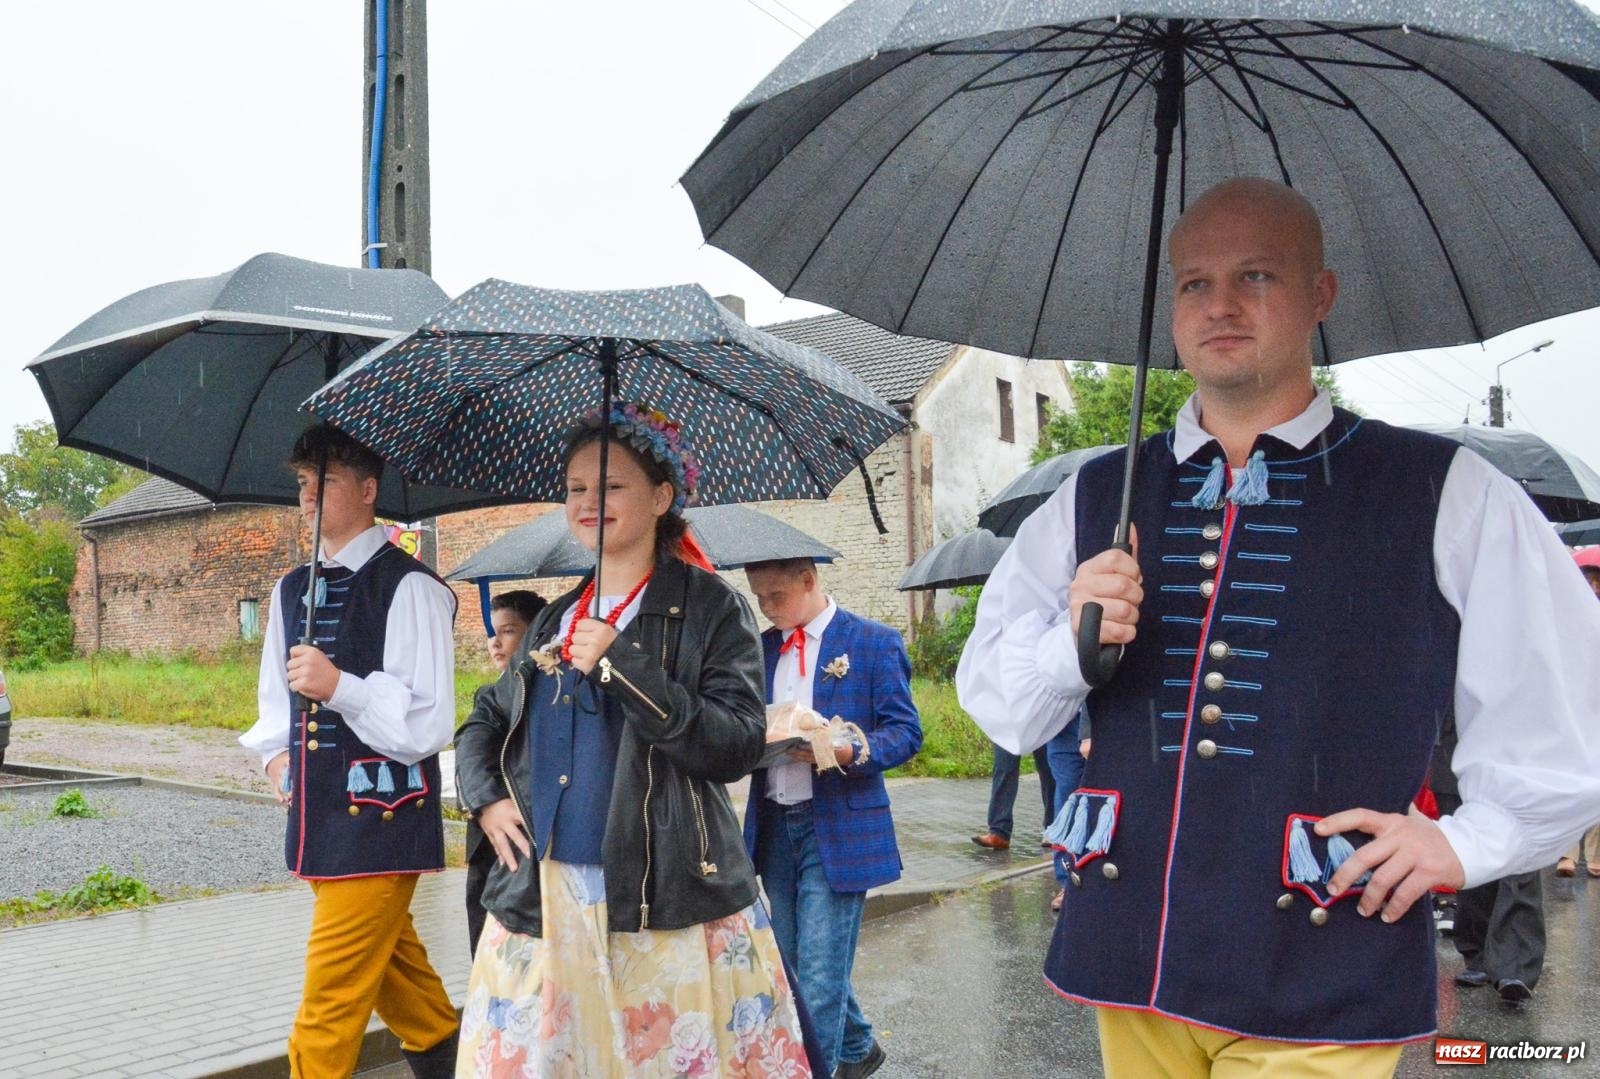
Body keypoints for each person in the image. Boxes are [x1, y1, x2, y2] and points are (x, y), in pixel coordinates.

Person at [956, 177, 1600, 1078]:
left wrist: (1465, 840)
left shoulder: (1443, 490)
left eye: (1255, 275)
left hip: (1326, 957)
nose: (1219, 305)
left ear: (1319, 295)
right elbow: (1003, 708)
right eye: (1193, 282)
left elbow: (1565, 705)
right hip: (1132, 951)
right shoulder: (1094, 496)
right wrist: (1071, 641)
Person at [453, 403, 815, 1077]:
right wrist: (485, 797)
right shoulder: (558, 615)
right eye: (576, 488)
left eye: (612, 485)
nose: (590, 502)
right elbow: (484, 718)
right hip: (545, 901)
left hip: (668, 901)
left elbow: (736, 744)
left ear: (661, 496)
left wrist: (623, 666)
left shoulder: (712, 606)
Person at [239, 423, 459, 1078]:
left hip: (381, 820)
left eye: (324, 480)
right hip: (318, 817)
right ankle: (457, 1061)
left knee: (329, 1003)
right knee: (402, 980)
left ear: (367, 490)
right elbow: (274, 704)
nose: (307, 495)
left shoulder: (412, 587)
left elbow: (425, 724)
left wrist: (341, 687)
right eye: (304, 481)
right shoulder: (288, 590)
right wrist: (277, 759)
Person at [742, 558, 924, 1079]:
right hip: (776, 826)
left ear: (809, 580)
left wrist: (847, 748)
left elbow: (905, 732)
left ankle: (807, 1070)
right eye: (759, 598)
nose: (767, 608)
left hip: (841, 828)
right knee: (795, 967)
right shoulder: (761, 648)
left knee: (819, 976)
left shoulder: (872, 642)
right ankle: (859, 1047)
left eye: (776, 595)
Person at [463, 589, 547, 956]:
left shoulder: (549, 690)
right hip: (491, 834)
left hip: (530, 837)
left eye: (509, 630)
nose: (495, 642)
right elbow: (471, 743)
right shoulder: (491, 695)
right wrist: (486, 800)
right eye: (492, 631)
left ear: (535, 634)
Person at [971, 740, 1055, 851]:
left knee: (1048, 769)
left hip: (1041, 723)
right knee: (1003, 765)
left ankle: (1053, 828)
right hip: (1009, 724)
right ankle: (999, 831)